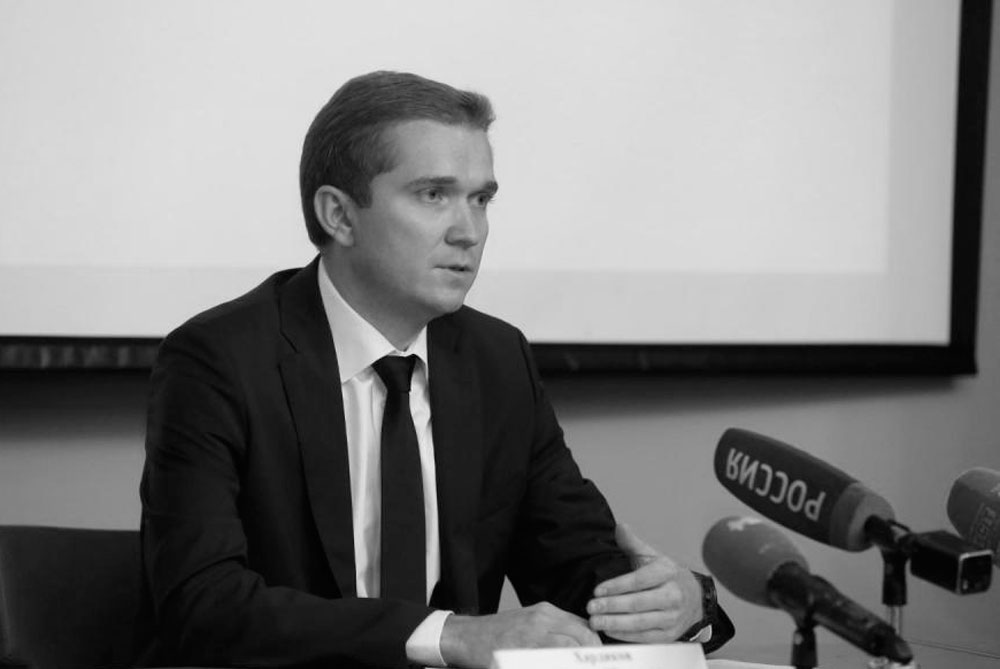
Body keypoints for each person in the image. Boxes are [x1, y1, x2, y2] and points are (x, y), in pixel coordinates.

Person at [139, 70, 733, 669]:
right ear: (339, 215)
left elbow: (578, 565)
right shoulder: (220, 360)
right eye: (433, 195)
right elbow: (202, 604)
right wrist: (448, 635)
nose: (468, 232)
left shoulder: (496, 360)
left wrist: (682, 604)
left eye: (481, 200)